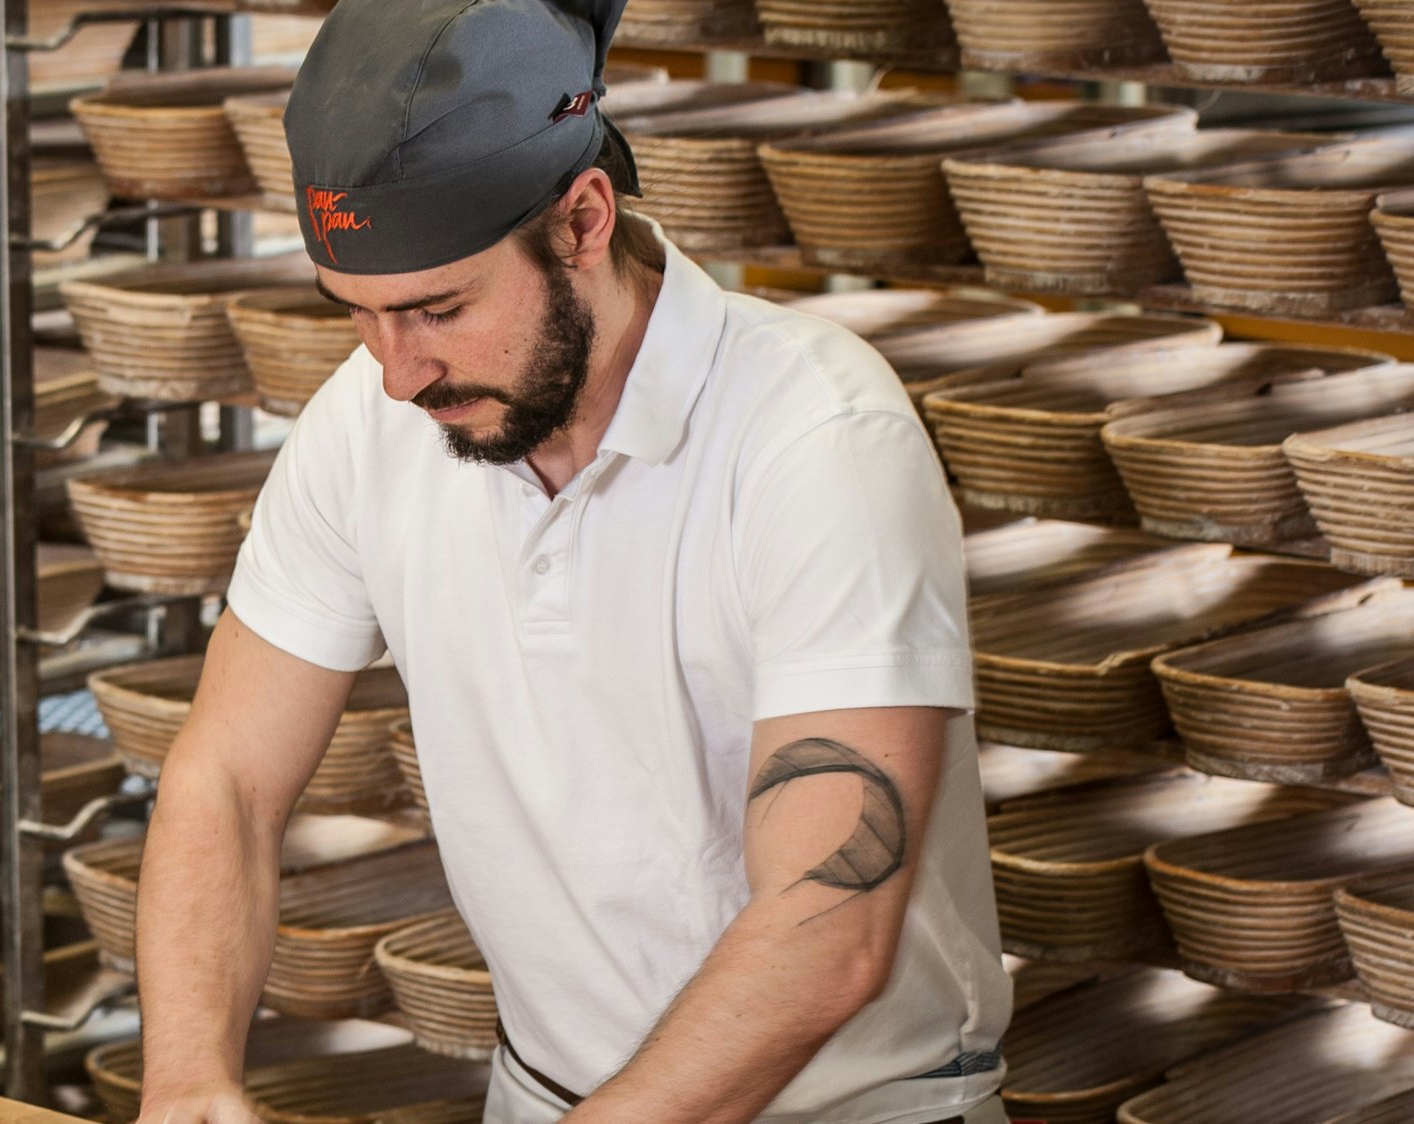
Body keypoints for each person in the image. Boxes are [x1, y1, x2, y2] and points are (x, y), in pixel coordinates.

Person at [130, 1, 1011, 1120]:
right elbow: (228, 781)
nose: (399, 372)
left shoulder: (813, 435)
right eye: (358, 316)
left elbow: (829, 916)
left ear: (583, 220)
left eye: (439, 308)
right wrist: (190, 1079)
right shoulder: (369, 422)